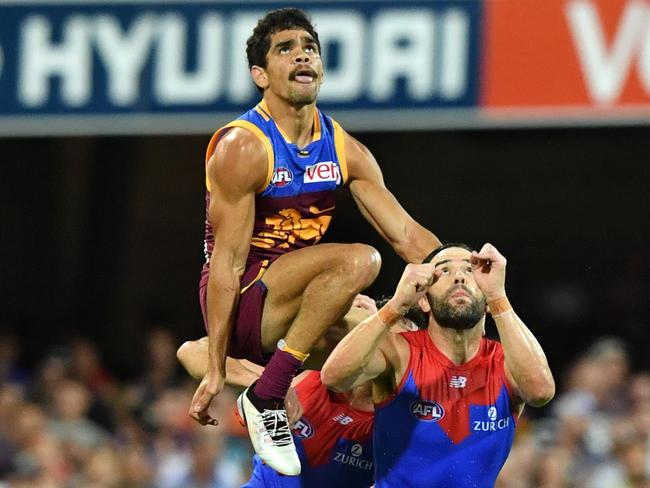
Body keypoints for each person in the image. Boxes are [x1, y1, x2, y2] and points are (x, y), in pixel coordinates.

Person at [189, 7, 441, 475]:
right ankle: (267, 395)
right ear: (260, 75)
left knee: (384, 337)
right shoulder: (244, 146)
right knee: (361, 261)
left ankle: (392, 450)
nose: (302, 55)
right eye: (286, 49)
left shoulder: (343, 146)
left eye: (310, 48)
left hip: (298, 301)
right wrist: (220, 363)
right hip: (246, 293)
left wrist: (456, 270)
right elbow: (226, 264)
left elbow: (406, 234)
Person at [321, 243, 556, 487]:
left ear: (485, 298)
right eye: (443, 271)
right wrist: (396, 306)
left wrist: (498, 297)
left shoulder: (506, 362)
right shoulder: (401, 351)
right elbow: (334, 377)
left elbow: (541, 392)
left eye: (470, 270)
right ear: (424, 301)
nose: (458, 277)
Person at [179, 297, 421, 488]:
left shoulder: (400, 421)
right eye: (386, 337)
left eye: (403, 345)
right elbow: (191, 351)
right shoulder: (306, 381)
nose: (392, 351)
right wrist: (269, 386)